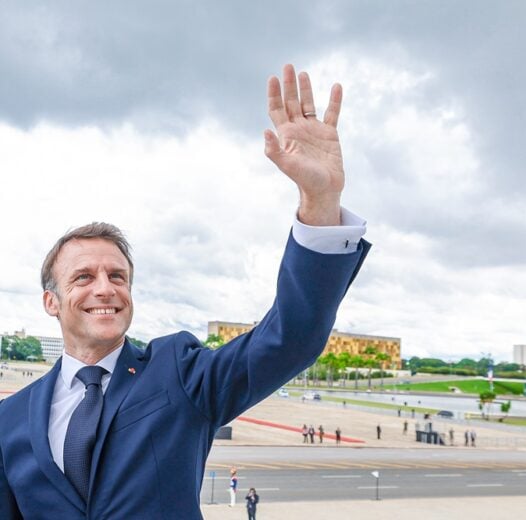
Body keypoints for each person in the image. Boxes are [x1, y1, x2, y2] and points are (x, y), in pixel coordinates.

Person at [0, 64, 370, 518]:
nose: (106, 288)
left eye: (118, 276)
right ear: (50, 301)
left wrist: (320, 203)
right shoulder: (10, 419)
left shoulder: (178, 373)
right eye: (83, 277)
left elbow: (291, 336)